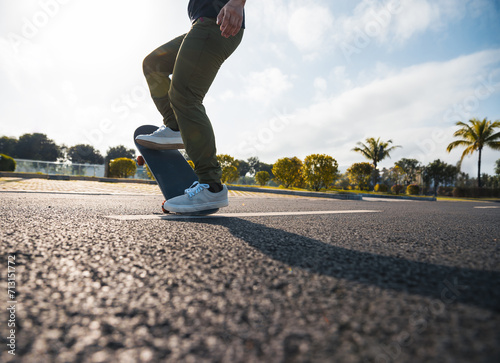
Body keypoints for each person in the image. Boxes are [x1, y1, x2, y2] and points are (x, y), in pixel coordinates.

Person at [136, 0, 246, 214]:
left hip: (217, 22)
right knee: (153, 65)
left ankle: (211, 185)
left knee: (185, 95)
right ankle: (175, 127)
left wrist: (236, 3)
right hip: (201, 25)